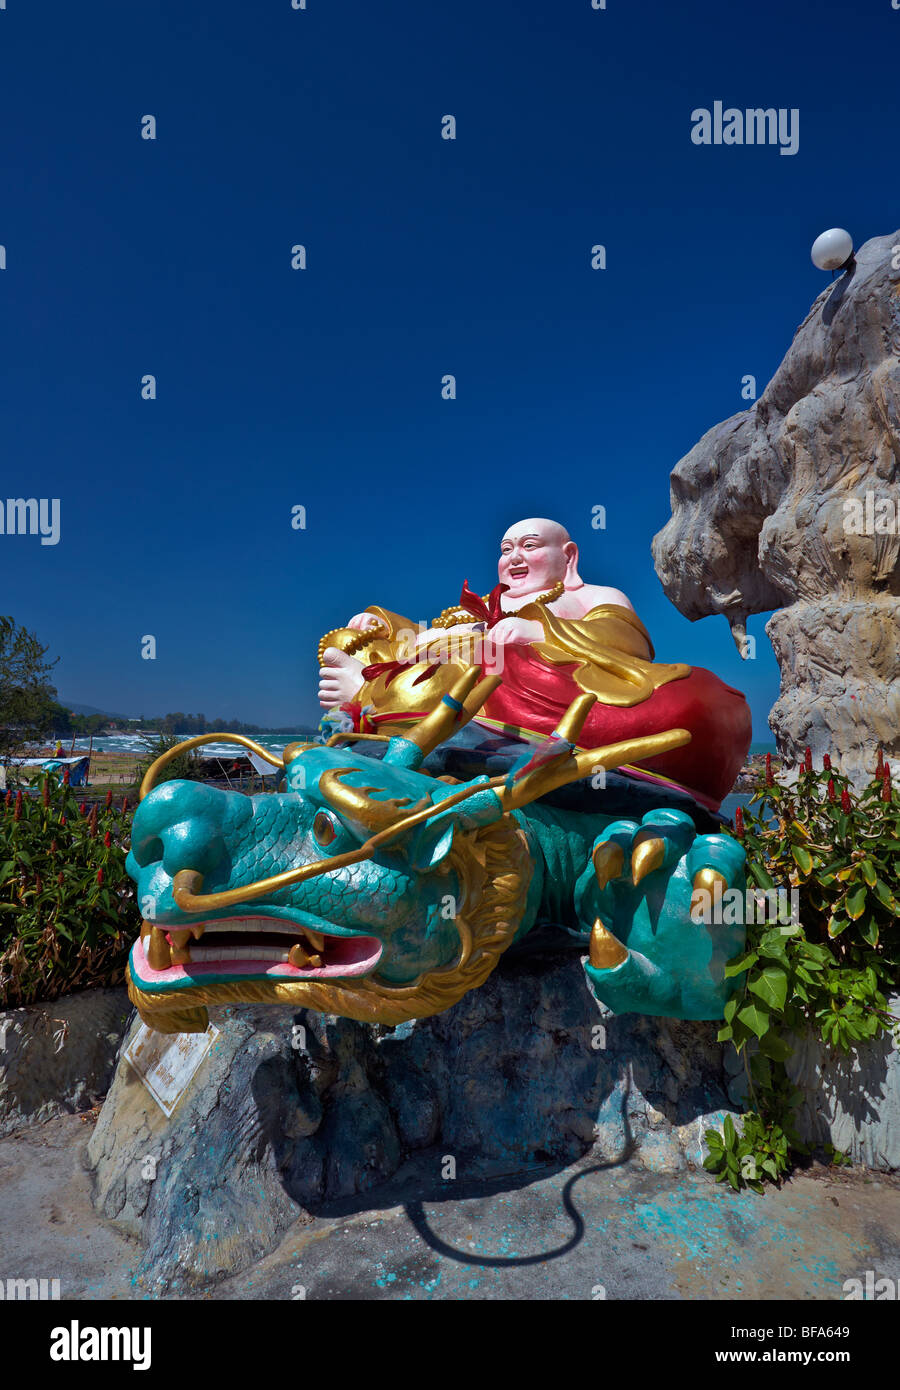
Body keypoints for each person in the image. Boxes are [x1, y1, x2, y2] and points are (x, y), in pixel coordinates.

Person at [316, 517, 751, 811]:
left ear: (570, 556)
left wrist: (542, 634)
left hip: (555, 689)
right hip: (476, 685)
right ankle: (373, 687)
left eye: (530, 546)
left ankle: (376, 697)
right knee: (442, 660)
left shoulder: (588, 596)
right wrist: (385, 626)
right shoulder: (481, 608)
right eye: (506, 550)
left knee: (693, 702)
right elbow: (425, 637)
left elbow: (629, 643)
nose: (515, 558)